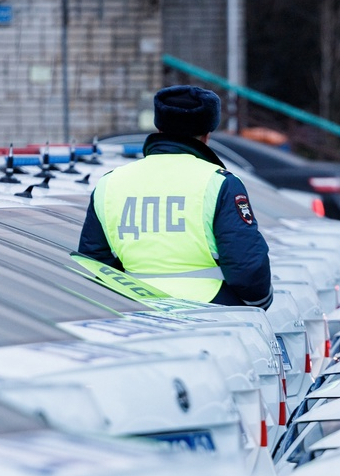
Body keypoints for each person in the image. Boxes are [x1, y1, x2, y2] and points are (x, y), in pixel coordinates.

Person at [77, 84, 273, 309]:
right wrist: (260, 302)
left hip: (133, 312)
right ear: (207, 136)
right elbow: (246, 266)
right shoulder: (219, 183)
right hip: (210, 311)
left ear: (159, 128)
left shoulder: (109, 182)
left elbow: (93, 263)